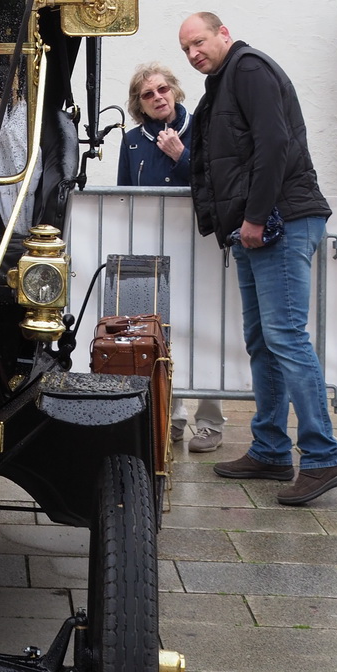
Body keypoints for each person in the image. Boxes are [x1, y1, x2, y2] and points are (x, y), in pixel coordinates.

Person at [179, 11, 337, 505]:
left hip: (281, 221)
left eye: (199, 42)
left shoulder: (249, 69)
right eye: (186, 48)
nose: (193, 54)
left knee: (285, 337)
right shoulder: (224, 82)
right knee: (263, 339)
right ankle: (271, 449)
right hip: (258, 228)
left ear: (223, 34)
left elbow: (275, 144)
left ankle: (323, 457)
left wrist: (254, 216)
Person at [119, 61, 224, 454]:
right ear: (139, 105)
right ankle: (172, 417)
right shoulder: (131, 141)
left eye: (163, 89)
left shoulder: (202, 128)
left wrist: (181, 157)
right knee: (163, 329)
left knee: (207, 329)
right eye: (149, 94)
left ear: (176, 91)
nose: (158, 97)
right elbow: (125, 195)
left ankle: (211, 421)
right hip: (156, 251)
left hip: (200, 244)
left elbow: (215, 182)